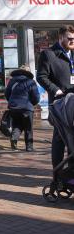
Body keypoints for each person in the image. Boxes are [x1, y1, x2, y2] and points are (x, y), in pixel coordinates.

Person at [37, 25, 74, 168]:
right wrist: (56, 90)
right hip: (60, 103)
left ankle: (71, 174)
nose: (73, 41)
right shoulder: (49, 54)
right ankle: (57, 174)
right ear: (60, 37)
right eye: (69, 38)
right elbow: (41, 77)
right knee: (59, 138)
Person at [4, 64, 40, 151]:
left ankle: (14, 139)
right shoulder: (31, 82)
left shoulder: (12, 80)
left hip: (13, 107)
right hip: (26, 107)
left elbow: (7, 94)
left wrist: (12, 102)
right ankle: (29, 147)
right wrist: (32, 103)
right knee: (28, 127)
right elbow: (36, 97)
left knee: (17, 124)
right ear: (28, 72)